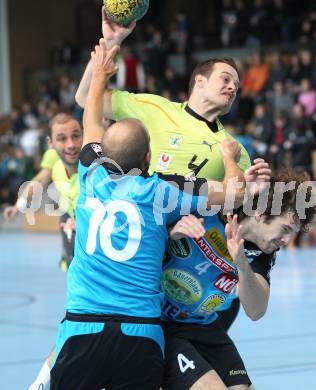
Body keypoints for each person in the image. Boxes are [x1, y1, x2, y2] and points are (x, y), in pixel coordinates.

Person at [50, 39, 246, 390]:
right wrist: (229, 157)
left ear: (101, 154)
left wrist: (102, 68)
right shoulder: (162, 192)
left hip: (84, 323)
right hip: (141, 328)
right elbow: (233, 193)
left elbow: (91, 118)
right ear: (148, 159)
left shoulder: (90, 176)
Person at [161, 169, 316, 390]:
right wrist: (170, 232)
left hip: (203, 325)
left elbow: (256, 311)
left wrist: (242, 264)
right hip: (162, 323)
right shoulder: (216, 207)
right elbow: (152, 192)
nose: (286, 240)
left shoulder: (262, 251)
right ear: (261, 214)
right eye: (285, 229)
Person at [75, 7, 251, 181]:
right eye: (226, 79)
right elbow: (85, 97)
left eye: (236, 85)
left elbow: (238, 202)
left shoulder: (235, 151)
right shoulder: (154, 108)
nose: (232, 88)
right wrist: (112, 41)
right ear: (200, 81)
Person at [3, 113, 82, 271]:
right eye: (62, 138)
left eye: (75, 136)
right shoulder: (53, 157)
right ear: (51, 143)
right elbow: (40, 180)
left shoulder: (93, 160)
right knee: (72, 269)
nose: (70, 144)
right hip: (68, 218)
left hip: (90, 221)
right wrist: (19, 206)